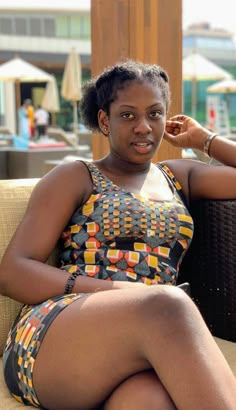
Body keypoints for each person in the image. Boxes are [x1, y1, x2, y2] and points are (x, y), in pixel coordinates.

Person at [1, 60, 236, 410]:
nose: (143, 127)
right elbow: (13, 272)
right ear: (104, 121)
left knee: (148, 400)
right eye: (128, 116)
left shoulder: (180, 176)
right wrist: (117, 290)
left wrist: (204, 139)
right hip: (55, 333)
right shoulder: (76, 176)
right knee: (168, 302)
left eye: (155, 114)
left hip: (140, 345)